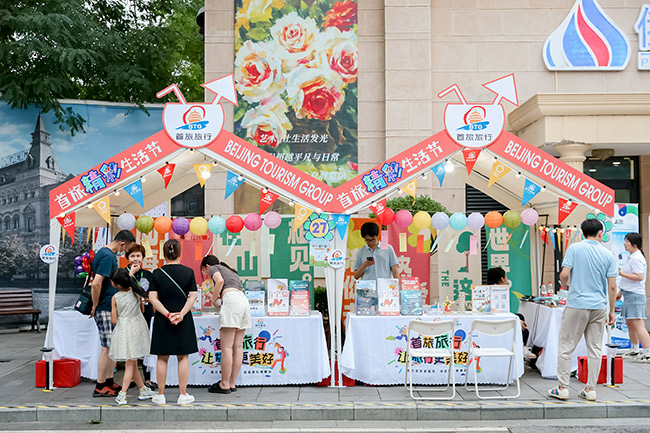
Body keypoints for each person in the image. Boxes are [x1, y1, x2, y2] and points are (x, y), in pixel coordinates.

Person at [548, 218, 617, 402]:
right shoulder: (608, 255)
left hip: (577, 304)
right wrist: (611, 311)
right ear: (601, 234)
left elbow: (563, 274)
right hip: (598, 306)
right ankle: (590, 389)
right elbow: (612, 287)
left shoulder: (575, 248)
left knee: (566, 346)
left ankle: (562, 387)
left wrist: (565, 286)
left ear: (582, 232)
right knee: (594, 348)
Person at [148, 239, 198, 405]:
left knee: (162, 358)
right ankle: (183, 395)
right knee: (182, 357)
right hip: (183, 320)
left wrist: (168, 315)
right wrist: (181, 314)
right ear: (179, 253)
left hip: (163, 320)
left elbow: (152, 298)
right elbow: (193, 296)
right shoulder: (189, 272)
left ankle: (161, 395)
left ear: (163, 254)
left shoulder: (156, 273)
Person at [89, 230, 135, 397]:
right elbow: (96, 284)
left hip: (106, 306)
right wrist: (95, 305)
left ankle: (108, 381)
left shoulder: (103, 253)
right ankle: (100, 385)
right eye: (128, 248)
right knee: (106, 348)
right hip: (105, 307)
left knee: (111, 347)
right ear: (122, 244)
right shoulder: (108, 257)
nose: (126, 252)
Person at [200, 255, 251, 394]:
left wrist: (213, 299)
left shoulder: (214, 268)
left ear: (207, 266)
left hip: (232, 301)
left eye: (204, 272)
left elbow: (220, 282)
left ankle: (224, 383)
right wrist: (215, 298)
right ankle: (232, 382)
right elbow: (229, 291)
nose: (207, 274)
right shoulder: (231, 272)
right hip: (243, 301)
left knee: (227, 347)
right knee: (238, 346)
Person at [108, 268, 157, 405]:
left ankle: (122, 394)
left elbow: (113, 320)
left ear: (116, 284)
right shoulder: (136, 293)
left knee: (130, 363)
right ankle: (142, 389)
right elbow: (142, 310)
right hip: (138, 327)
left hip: (124, 329)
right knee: (133, 361)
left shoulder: (115, 298)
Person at [487, 267, 536, 360]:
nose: (506, 279)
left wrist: (518, 319)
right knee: (525, 330)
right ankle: (522, 349)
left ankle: (522, 348)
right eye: (505, 277)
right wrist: (517, 321)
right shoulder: (500, 291)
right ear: (501, 279)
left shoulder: (486, 290)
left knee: (520, 317)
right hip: (498, 322)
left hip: (494, 319)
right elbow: (501, 313)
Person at [125, 244, 156, 389]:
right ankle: (130, 378)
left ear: (143, 258)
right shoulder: (123, 273)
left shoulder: (148, 275)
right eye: (132, 256)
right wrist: (130, 274)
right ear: (127, 258)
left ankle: (148, 378)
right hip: (129, 313)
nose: (136, 259)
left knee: (145, 344)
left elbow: (151, 294)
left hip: (146, 312)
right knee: (130, 346)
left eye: (138, 256)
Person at [617, 232, 650, 363]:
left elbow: (639, 277)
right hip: (629, 294)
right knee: (631, 323)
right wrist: (620, 291)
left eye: (627, 241)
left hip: (635, 295)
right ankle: (635, 349)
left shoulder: (636, 258)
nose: (625, 243)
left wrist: (621, 273)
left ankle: (647, 352)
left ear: (634, 244)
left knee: (638, 324)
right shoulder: (632, 257)